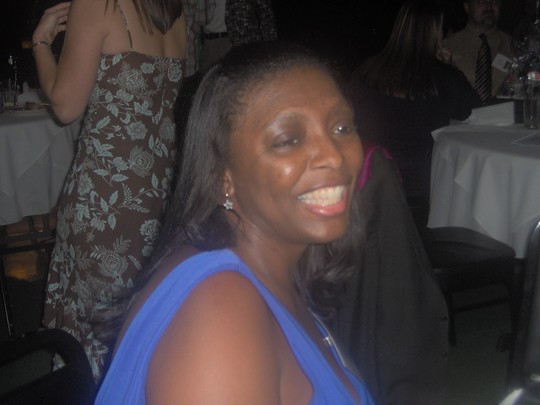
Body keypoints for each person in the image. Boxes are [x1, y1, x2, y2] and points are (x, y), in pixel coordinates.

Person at [95, 41, 375, 404]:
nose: (334, 157)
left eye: (341, 128)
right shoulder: (219, 313)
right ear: (223, 176)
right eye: (288, 139)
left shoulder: (269, 274)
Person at [31, 0, 187, 382]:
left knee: (93, 333)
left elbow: (65, 105)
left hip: (106, 200)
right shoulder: (174, 10)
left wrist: (40, 44)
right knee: (139, 324)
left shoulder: (97, 4)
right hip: (159, 195)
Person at [348, 0, 481, 225]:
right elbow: (476, 111)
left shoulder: (367, 71)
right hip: (426, 188)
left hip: (370, 180)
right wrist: (450, 66)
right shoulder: (445, 77)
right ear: (436, 33)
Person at [443, 0, 513, 103]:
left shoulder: (514, 47)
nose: (489, 7)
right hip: (459, 111)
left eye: (494, 2)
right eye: (481, 2)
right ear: (467, 6)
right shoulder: (447, 46)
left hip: (503, 111)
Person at [200, 0, 277, 69]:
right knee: (207, 77)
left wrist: (269, 50)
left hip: (239, 42)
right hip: (210, 42)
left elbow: (266, 18)